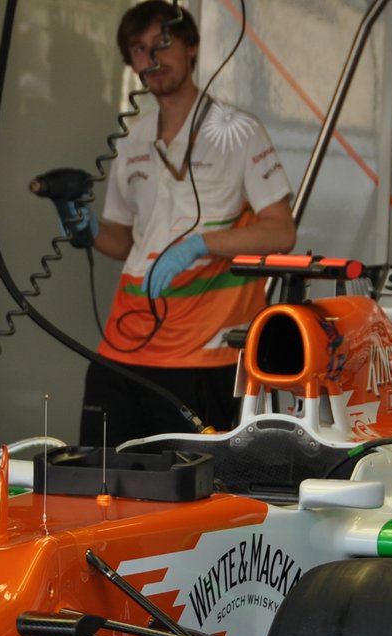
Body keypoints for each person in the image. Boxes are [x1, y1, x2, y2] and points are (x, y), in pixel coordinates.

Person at [84, 0, 297, 446]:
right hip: (123, 346)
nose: (152, 58)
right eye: (139, 49)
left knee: (199, 500)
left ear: (192, 47)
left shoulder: (238, 130)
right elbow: (123, 242)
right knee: (99, 486)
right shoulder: (131, 139)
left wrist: (200, 244)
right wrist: (78, 224)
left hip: (206, 355)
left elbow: (281, 232)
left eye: (163, 43)